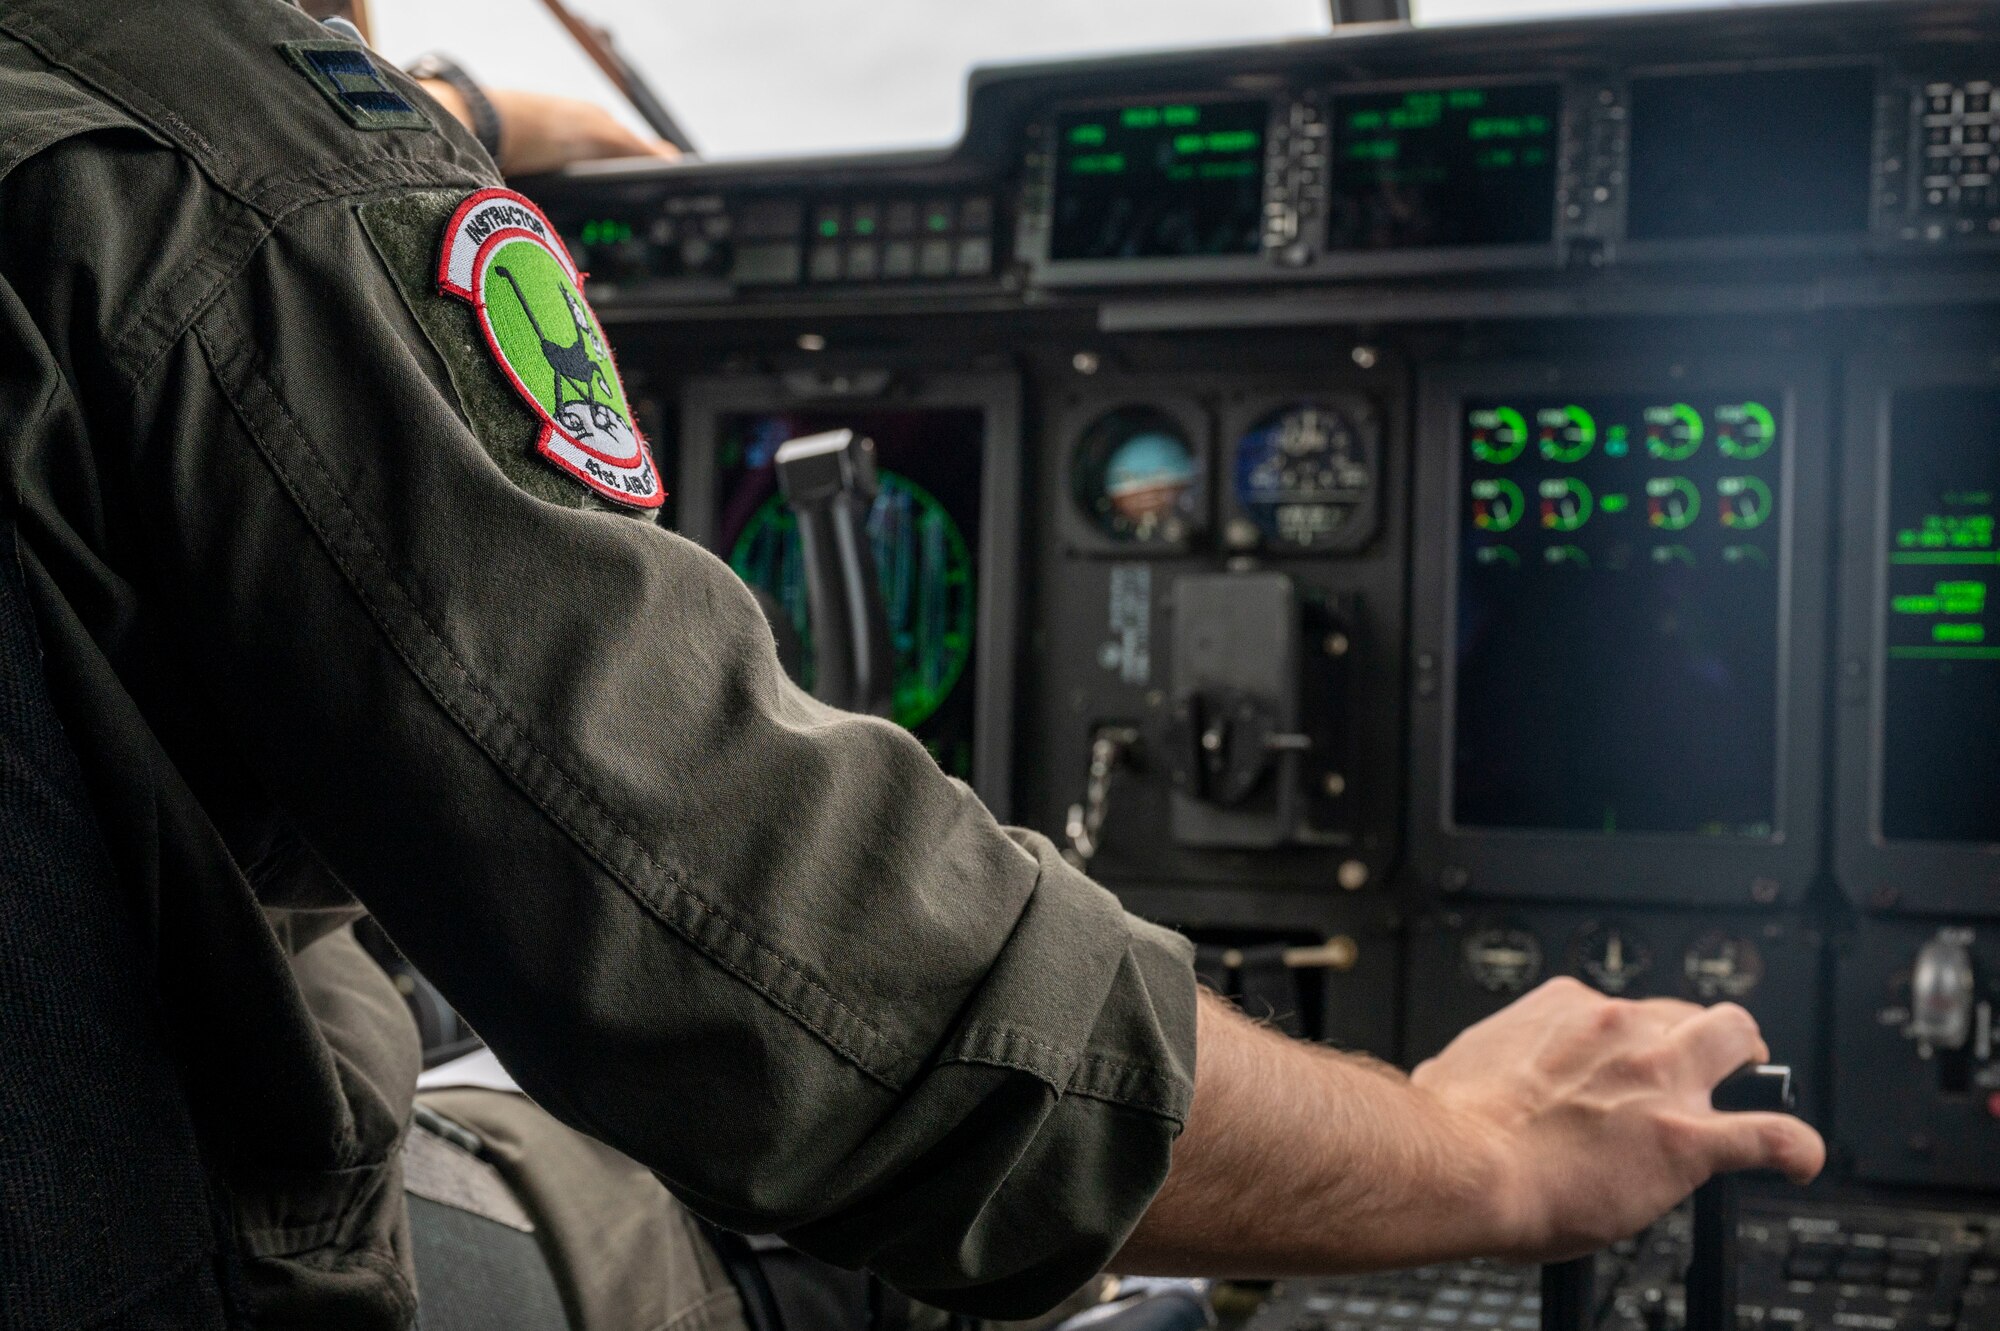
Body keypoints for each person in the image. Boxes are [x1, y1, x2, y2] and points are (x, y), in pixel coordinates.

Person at [0, 0, 1826, 1328]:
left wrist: (432, 112)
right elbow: (803, 993)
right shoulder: (231, 176)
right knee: (794, 1246)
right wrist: (1463, 1151)